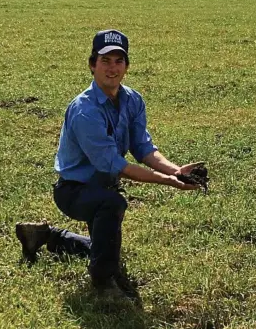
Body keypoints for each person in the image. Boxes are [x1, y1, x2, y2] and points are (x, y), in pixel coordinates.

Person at [16, 29, 203, 299]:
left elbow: (143, 147)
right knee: (112, 207)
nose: (112, 68)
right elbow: (115, 165)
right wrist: (166, 181)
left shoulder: (132, 100)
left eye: (118, 61)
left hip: (104, 187)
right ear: (92, 65)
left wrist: (175, 170)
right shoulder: (84, 110)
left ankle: (46, 236)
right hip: (74, 190)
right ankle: (102, 286)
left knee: (104, 247)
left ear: (127, 66)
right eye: (105, 61)